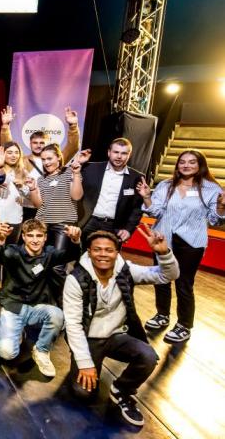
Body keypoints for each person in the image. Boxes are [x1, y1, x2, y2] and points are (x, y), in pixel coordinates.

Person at [63, 227, 180, 427]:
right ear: (89, 252)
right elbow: (73, 325)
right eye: (97, 249)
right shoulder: (75, 279)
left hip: (117, 336)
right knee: (83, 393)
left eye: (109, 250)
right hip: (90, 338)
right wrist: (85, 362)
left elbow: (167, 275)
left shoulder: (126, 271)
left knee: (148, 356)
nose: (103, 254)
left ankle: (122, 390)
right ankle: (85, 366)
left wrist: (163, 253)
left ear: (117, 252)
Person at [137, 149, 225, 343]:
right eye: (182, 162)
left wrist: (221, 206)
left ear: (200, 165)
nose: (186, 165)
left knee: (184, 283)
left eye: (192, 162)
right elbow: (155, 212)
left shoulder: (211, 189)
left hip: (191, 243)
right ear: (177, 165)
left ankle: (184, 325)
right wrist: (146, 197)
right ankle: (162, 315)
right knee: (161, 278)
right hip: (162, 239)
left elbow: (215, 220)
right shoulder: (166, 185)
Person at [0, 218, 81, 377]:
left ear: (45, 237)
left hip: (36, 307)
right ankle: (20, 332)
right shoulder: (14, 252)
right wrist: (1, 240)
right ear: (23, 237)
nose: (35, 240)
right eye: (30, 235)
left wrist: (75, 240)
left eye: (39, 236)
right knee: (7, 353)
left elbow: (71, 255)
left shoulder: (49, 253)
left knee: (57, 315)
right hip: (13, 306)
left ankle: (41, 350)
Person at [0, 105, 80, 220]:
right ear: (30, 144)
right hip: (25, 207)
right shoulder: (22, 160)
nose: (38, 145)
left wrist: (73, 126)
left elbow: (73, 147)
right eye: (35, 143)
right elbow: (8, 147)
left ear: (47, 143)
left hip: (48, 208)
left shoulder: (54, 160)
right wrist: (5, 126)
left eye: (42, 143)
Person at [77, 138, 144, 244]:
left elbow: (137, 208)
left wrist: (128, 229)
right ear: (109, 152)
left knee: (108, 254)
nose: (119, 156)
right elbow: (71, 184)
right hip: (87, 222)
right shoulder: (90, 168)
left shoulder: (136, 178)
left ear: (129, 155)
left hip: (114, 227)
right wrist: (78, 163)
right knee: (79, 253)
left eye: (124, 153)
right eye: (116, 152)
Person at [0, 141, 32, 243]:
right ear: (2, 154)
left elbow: (31, 197)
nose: (14, 155)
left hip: (14, 219)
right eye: (10, 152)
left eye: (16, 152)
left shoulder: (24, 172)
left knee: (11, 250)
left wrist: (22, 187)